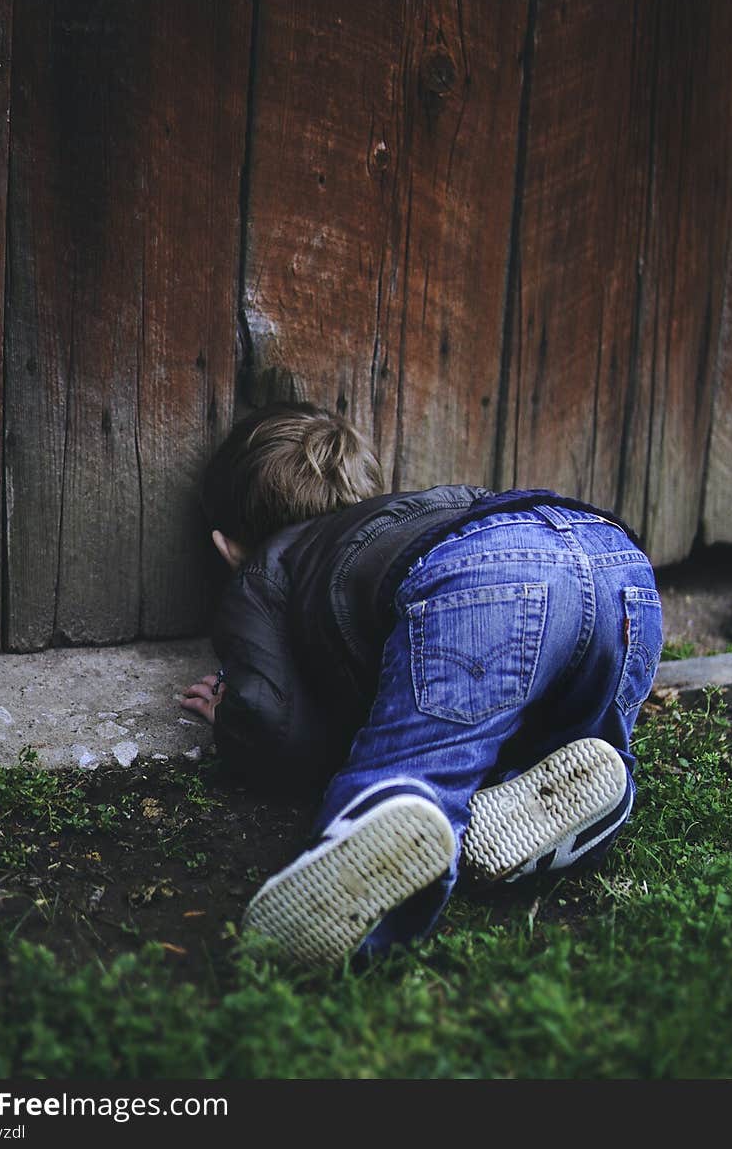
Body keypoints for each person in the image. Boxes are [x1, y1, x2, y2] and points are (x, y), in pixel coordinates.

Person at [181, 403, 662, 968]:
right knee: (520, 720)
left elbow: (272, 723)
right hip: (615, 560)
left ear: (226, 547)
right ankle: (585, 784)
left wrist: (233, 718)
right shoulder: (409, 514)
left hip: (484, 575)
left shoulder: (266, 565)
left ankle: (402, 806)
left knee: (417, 767)